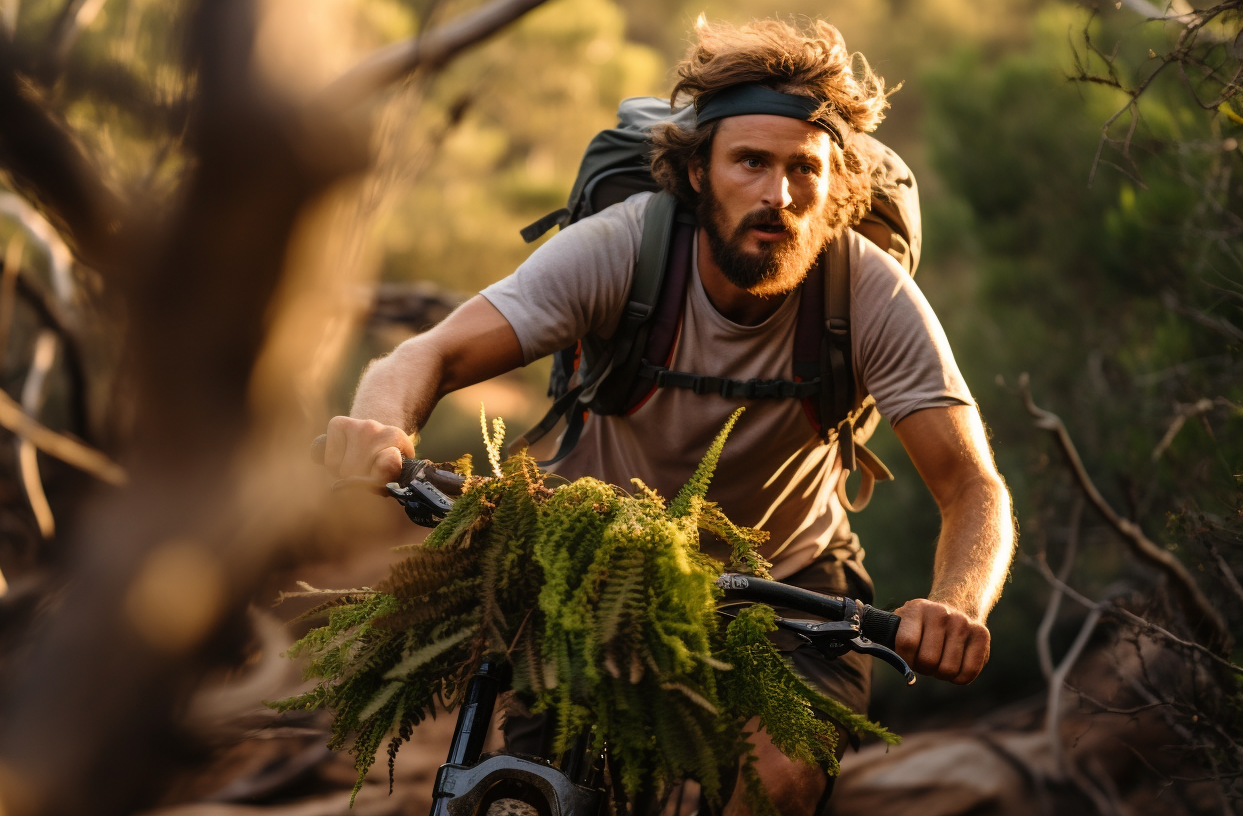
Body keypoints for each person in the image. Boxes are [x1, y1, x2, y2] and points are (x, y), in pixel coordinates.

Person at [321, 17, 1015, 816]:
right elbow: (425, 356)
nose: (778, 196)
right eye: (751, 162)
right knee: (540, 791)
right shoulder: (620, 249)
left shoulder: (866, 293)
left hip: (789, 582)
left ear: (836, 190)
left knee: (783, 782)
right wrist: (379, 427)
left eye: (805, 171)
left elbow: (972, 485)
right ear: (696, 173)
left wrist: (958, 606)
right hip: (594, 560)